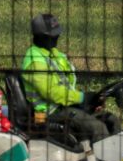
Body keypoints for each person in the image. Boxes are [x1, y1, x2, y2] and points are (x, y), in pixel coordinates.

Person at [21, 13, 117, 145]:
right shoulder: (34, 60)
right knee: (97, 128)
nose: (57, 37)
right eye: (53, 35)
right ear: (42, 36)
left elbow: (67, 85)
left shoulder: (55, 54)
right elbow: (52, 92)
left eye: (57, 33)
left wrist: (88, 103)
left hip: (65, 108)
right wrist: (82, 98)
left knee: (111, 120)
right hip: (45, 115)